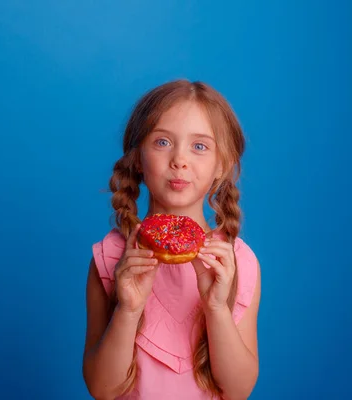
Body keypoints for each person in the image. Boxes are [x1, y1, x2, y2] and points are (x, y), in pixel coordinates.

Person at [82, 79, 261, 400]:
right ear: (137, 157)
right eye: (162, 142)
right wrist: (127, 310)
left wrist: (217, 308)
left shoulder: (236, 261)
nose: (179, 160)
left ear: (222, 165)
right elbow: (101, 389)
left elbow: (238, 390)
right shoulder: (110, 258)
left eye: (200, 146)